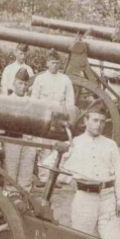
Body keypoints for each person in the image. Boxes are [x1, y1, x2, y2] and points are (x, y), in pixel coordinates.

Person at [59, 108, 120, 239]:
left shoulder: (110, 145)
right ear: (86, 121)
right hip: (84, 198)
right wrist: (68, 179)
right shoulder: (75, 143)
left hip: (108, 198)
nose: (99, 125)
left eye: (102, 121)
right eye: (95, 120)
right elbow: (47, 168)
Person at [24, 53, 78, 187]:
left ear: (60, 64)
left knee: (57, 147)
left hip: (59, 118)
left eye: (57, 63)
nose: (54, 65)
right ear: (47, 63)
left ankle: (54, 178)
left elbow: (70, 101)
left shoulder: (65, 80)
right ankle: (43, 178)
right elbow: (34, 99)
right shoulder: (40, 79)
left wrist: (68, 116)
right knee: (43, 148)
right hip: (43, 117)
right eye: (52, 62)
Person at [0, 46, 36, 185]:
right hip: (12, 140)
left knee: (26, 174)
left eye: (25, 84)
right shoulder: (8, 101)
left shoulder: (32, 103)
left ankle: (25, 199)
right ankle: (9, 199)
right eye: (20, 83)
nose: (22, 86)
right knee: (10, 173)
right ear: (14, 83)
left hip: (28, 140)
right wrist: (0, 144)